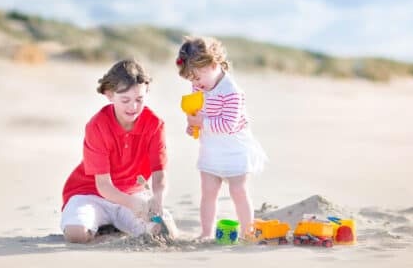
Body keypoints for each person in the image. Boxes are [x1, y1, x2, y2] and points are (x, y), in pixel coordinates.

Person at [60, 59, 168, 243]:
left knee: (163, 233)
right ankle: (103, 227)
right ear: (110, 95)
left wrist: (156, 199)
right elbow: (103, 186)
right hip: (90, 195)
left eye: (139, 100)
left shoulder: (155, 124)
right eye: (125, 100)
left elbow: (159, 173)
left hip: (133, 193)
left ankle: (116, 225)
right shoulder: (97, 126)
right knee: (76, 234)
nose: (133, 107)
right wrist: (134, 204)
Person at [175, 36, 267, 239]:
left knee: (238, 191)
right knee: (208, 193)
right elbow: (198, 114)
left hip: (234, 148)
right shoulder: (199, 87)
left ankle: (247, 232)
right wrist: (192, 126)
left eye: (198, 78)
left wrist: (201, 123)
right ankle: (206, 232)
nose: (196, 84)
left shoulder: (232, 91)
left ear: (214, 65)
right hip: (211, 149)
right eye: (192, 80)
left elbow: (228, 125)